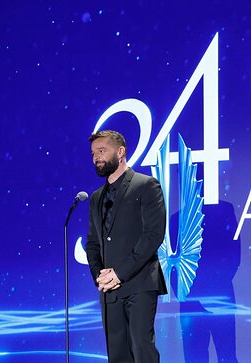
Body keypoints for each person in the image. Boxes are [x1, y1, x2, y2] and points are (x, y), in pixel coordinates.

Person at [85, 130, 167, 363]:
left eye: (102, 151)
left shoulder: (146, 186)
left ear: (120, 152)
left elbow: (153, 236)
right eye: (93, 154)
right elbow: (92, 243)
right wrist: (100, 276)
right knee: (117, 354)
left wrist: (119, 273)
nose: (96, 158)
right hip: (109, 290)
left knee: (142, 350)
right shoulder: (95, 198)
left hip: (139, 283)